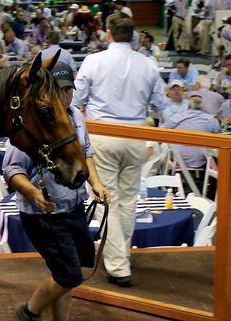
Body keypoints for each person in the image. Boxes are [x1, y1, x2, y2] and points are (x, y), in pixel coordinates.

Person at [4, 62, 109, 321]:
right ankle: (30, 311)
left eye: (69, 90)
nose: (66, 96)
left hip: (73, 205)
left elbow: (85, 153)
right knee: (68, 275)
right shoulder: (37, 121)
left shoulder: (76, 117)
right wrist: (34, 193)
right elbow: (11, 170)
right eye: (60, 90)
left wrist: (96, 184)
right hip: (44, 214)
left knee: (70, 270)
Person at [73, 12, 168, 287]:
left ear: (108, 32)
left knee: (107, 200)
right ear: (133, 35)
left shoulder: (94, 60)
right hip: (136, 135)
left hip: (104, 135)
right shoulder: (148, 64)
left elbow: (77, 99)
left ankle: (118, 265)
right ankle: (120, 255)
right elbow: (160, 105)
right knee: (127, 200)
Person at [160, 93, 220, 180]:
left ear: (188, 106)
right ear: (203, 107)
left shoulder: (177, 117)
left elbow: (161, 130)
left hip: (178, 158)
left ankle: (164, 179)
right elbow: (217, 132)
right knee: (213, 151)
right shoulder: (211, 119)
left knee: (164, 147)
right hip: (201, 159)